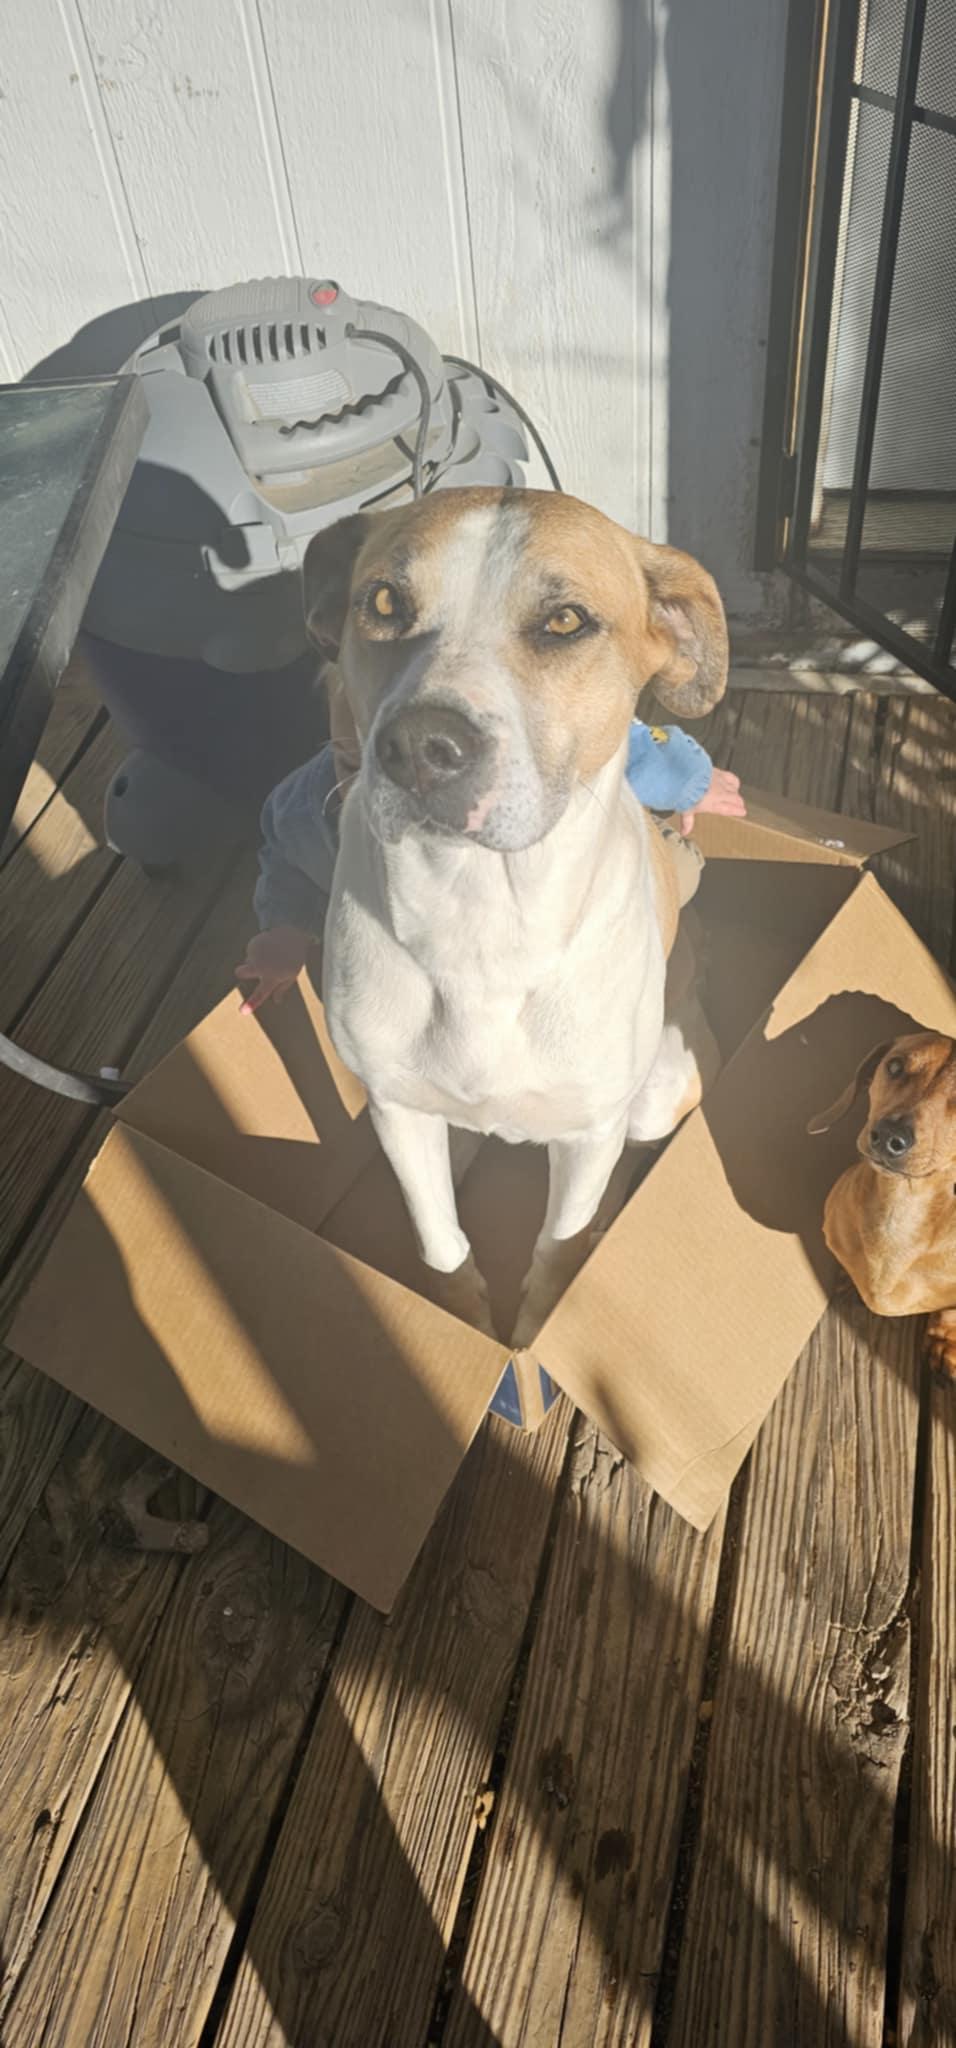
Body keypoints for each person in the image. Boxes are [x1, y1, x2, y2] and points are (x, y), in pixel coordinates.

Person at [237, 715, 745, 1014]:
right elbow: (287, 855)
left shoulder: (536, 735)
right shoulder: (320, 813)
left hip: (584, 853)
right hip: (452, 970)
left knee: (679, 874)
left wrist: (690, 782)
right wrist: (287, 929)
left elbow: (625, 740)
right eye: (362, 765)